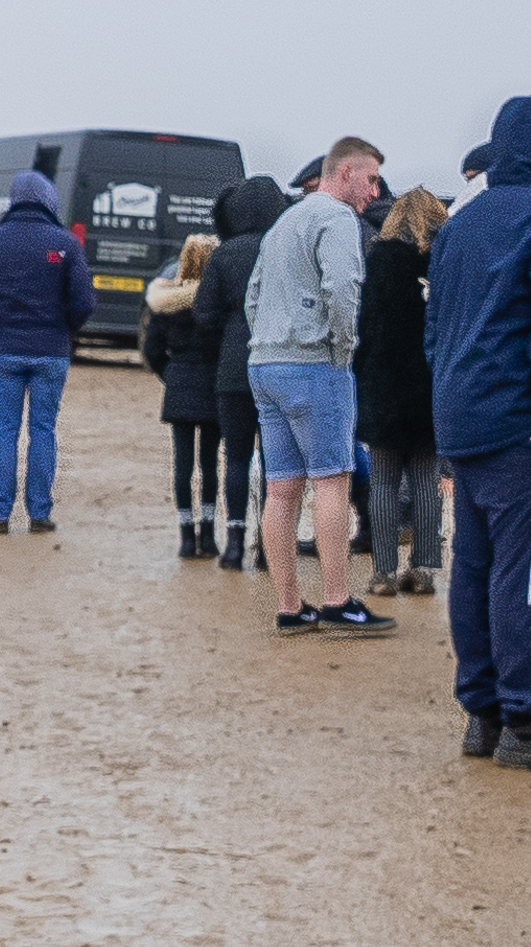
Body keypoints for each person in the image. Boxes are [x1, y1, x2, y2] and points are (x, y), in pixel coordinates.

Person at [427, 101, 531, 767]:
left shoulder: (457, 227)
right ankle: (528, 722)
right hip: (523, 426)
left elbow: (434, 329)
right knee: (524, 573)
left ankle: (484, 716)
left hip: (461, 418)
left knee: (473, 569)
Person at [248, 141, 392, 635]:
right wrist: (344, 346)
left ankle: (290, 607)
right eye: (370, 179)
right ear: (345, 171)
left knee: (281, 487)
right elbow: (344, 286)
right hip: (314, 362)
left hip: (265, 363)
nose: (375, 192)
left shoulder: (284, 221)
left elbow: (254, 293)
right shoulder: (336, 219)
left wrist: (266, 340)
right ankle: (336, 598)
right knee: (332, 479)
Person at [0, 166, 89, 534]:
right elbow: (84, 302)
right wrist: (65, 328)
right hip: (52, 350)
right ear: (50, 199)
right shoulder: (66, 244)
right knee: (43, 429)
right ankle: (39, 514)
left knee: (4, 430)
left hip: (7, 348)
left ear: (13, 200)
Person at [358, 187, 447, 596]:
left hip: (383, 382)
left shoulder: (379, 259)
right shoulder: (441, 260)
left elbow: (365, 325)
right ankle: (425, 568)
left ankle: (383, 573)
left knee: (383, 481)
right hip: (429, 382)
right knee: (427, 478)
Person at [199, 178, 281, 569]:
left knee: (236, 457)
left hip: (234, 365)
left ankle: (233, 544)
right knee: (274, 459)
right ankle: (268, 546)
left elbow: (203, 315)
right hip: (278, 363)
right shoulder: (285, 248)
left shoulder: (225, 254)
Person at [140, 231, 222, 557]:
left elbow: (152, 351)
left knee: (183, 466)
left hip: (179, 387)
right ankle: (210, 534)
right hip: (213, 387)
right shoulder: (216, 304)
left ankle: (187, 536)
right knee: (210, 464)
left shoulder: (166, 304)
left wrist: (171, 376)